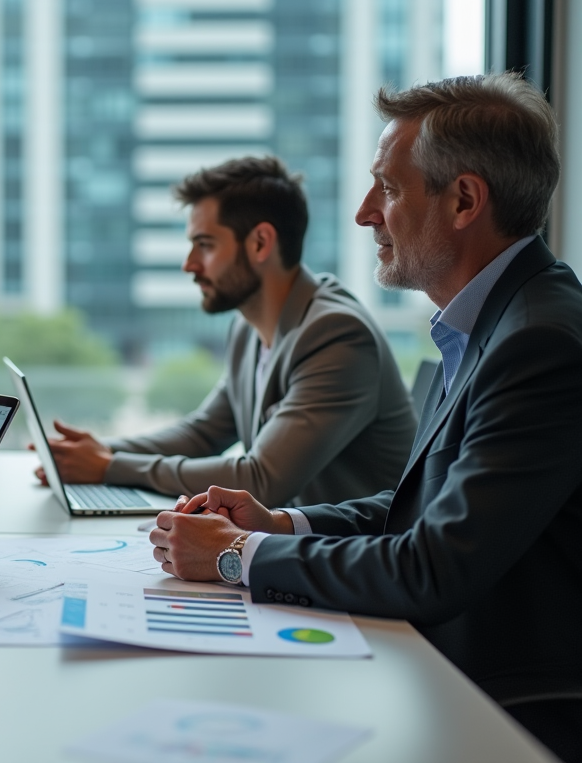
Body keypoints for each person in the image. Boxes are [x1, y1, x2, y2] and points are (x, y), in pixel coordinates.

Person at [150, 73, 581, 763]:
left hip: (501, 701)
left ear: (464, 200)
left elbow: (434, 566)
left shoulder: (538, 342)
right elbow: (425, 508)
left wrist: (236, 555)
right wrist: (280, 523)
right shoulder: (490, 324)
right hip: (442, 662)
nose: (363, 214)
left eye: (387, 188)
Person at [40, 156, 416, 508]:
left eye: (204, 245)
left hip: (349, 549)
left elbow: (261, 479)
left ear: (260, 243)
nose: (189, 265)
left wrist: (109, 467)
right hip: (291, 542)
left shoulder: (337, 335)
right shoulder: (248, 327)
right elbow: (203, 434)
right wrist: (97, 452)